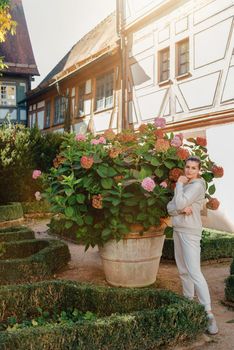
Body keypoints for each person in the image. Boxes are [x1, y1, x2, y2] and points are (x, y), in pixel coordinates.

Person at [167, 156, 218, 335]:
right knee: (183, 270)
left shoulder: (196, 185)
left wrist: (178, 186)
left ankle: (208, 314)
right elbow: (169, 207)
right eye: (187, 167)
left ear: (199, 170)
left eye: (193, 168)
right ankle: (188, 303)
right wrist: (180, 208)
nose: (189, 171)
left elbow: (178, 203)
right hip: (178, 229)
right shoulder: (187, 185)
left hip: (190, 231)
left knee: (194, 271)